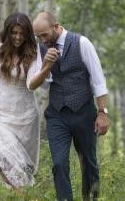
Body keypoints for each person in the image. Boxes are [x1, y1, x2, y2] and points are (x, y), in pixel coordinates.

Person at [32, 12, 109, 201]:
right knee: (58, 163)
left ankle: (90, 198)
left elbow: (99, 81)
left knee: (89, 163)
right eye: (38, 37)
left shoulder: (82, 43)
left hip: (84, 112)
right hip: (57, 115)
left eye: (45, 35)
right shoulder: (41, 49)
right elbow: (43, 84)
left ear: (56, 26)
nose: (42, 40)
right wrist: (47, 64)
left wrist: (102, 113)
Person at [0, 12, 54, 189]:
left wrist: (46, 68)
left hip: (25, 118)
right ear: (7, 32)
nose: (18, 37)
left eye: (22, 33)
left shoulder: (33, 52)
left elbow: (31, 84)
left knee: (21, 168)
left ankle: (24, 196)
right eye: (14, 32)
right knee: (4, 164)